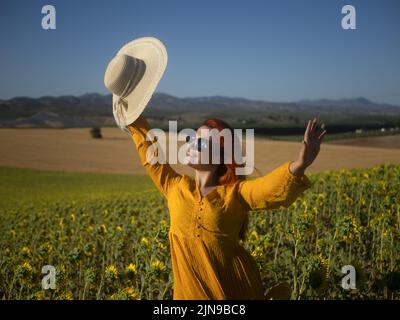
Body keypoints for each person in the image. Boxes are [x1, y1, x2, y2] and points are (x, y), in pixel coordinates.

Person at [127, 115, 326, 300]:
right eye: (191, 139)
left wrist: (300, 164)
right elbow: (152, 158)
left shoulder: (235, 195)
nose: (191, 145)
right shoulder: (175, 187)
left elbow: (268, 188)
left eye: (201, 142)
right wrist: (133, 116)